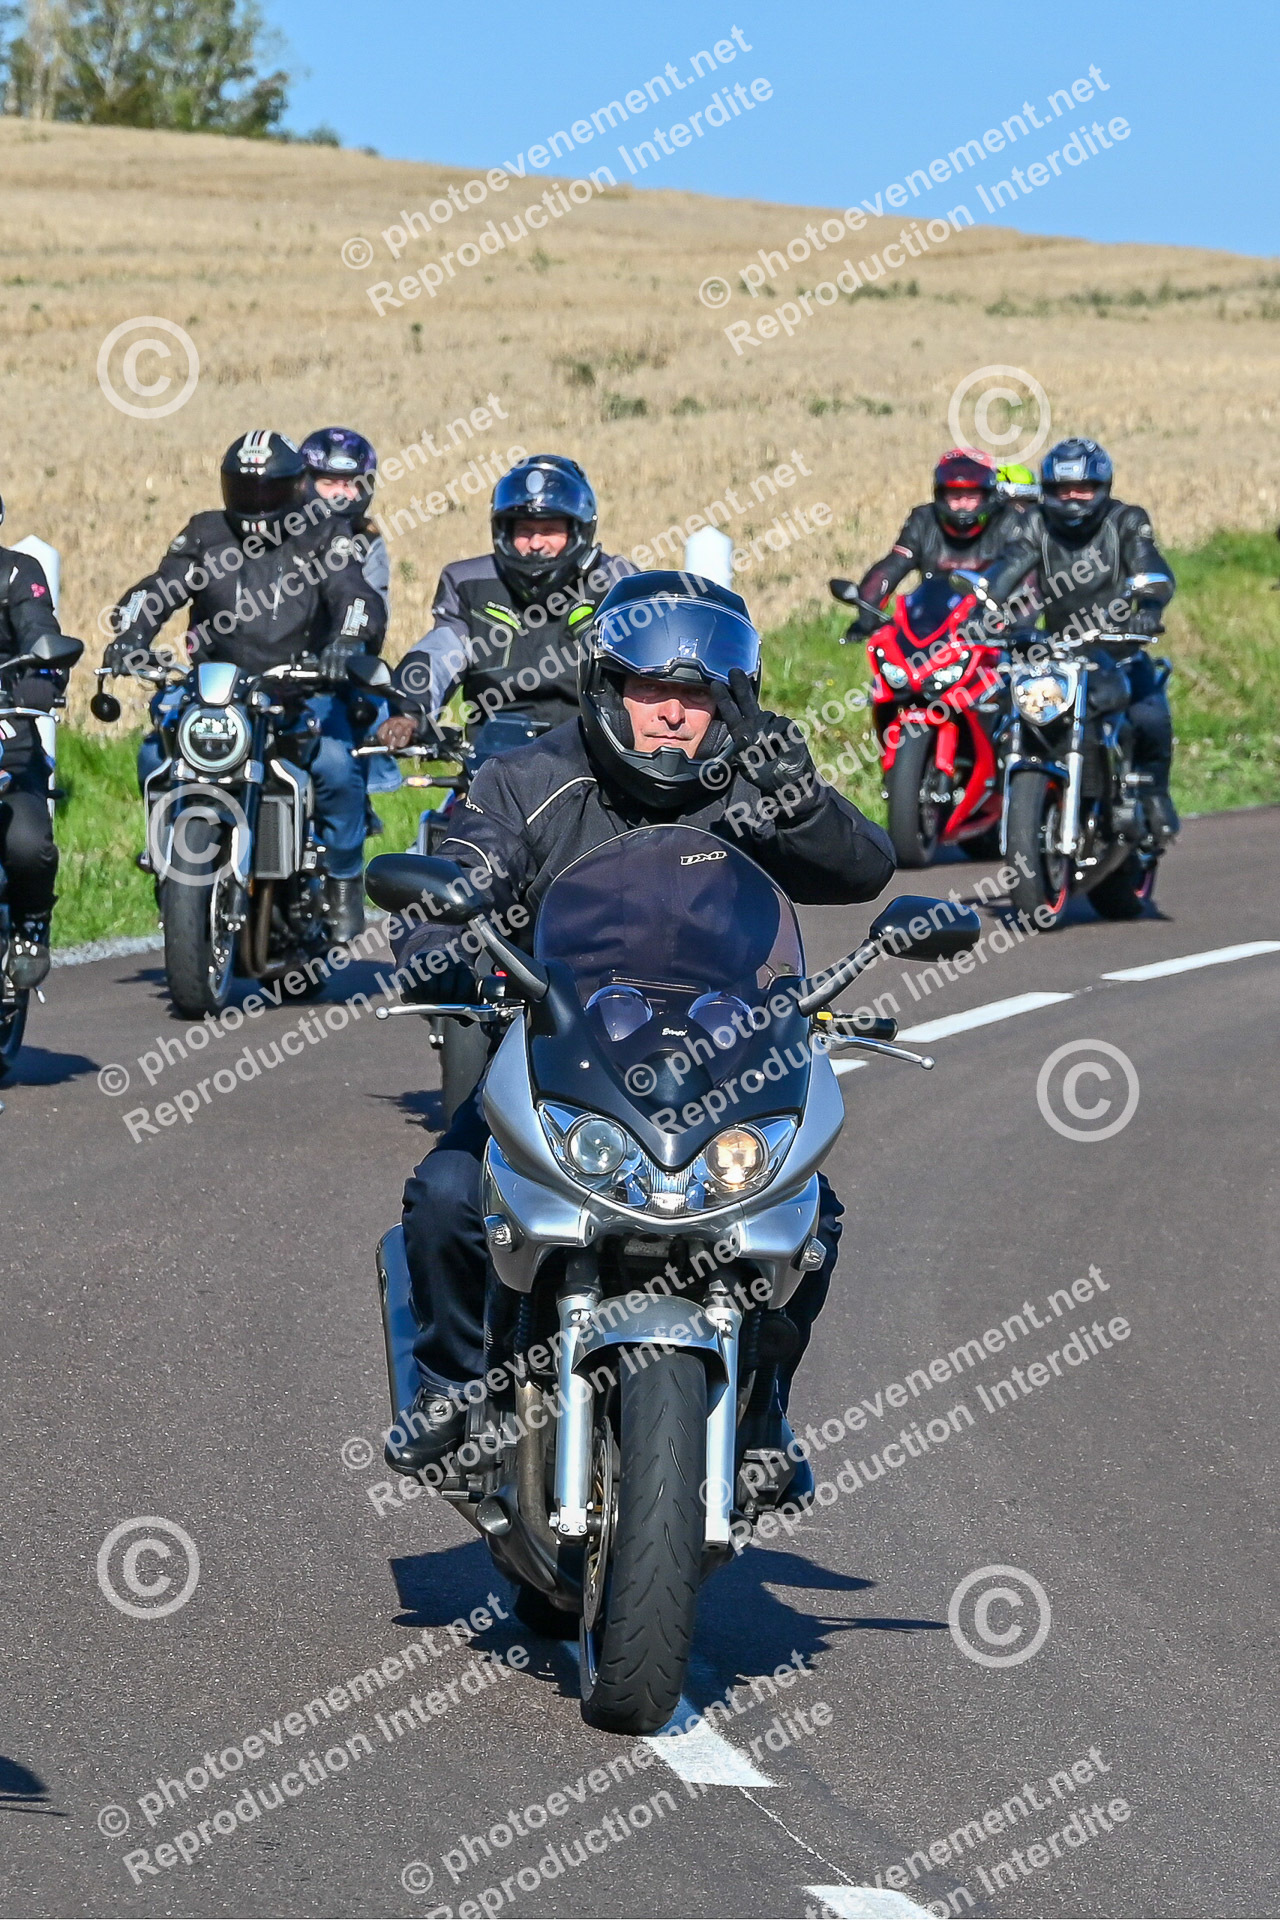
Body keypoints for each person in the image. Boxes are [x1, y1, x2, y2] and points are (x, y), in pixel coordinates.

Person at [382, 571, 896, 1490]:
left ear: (729, 704)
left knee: (809, 1216)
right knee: (449, 1192)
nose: (671, 715)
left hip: (721, 1069)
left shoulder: (749, 786)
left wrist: (802, 798)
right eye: (650, 688)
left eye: (695, 696)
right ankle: (453, 1389)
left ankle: (761, 1410)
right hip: (557, 1051)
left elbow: (862, 872)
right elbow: (456, 876)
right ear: (606, 687)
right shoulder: (527, 779)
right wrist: (448, 946)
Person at [105, 430, 386, 939]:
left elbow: (355, 595)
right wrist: (130, 637)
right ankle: (167, 861)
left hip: (297, 688)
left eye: (268, 490)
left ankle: (344, 880)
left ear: (296, 487)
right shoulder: (205, 533)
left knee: (336, 765)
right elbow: (159, 588)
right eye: (244, 489)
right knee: (153, 754)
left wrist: (345, 643)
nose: (256, 502)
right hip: (214, 689)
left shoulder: (323, 533)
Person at [377, 453, 634, 753]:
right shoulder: (468, 584)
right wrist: (409, 710)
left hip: (593, 752)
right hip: (493, 758)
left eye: (549, 530)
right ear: (503, 532)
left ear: (579, 531)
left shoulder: (618, 584)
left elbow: (647, 666)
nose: (536, 543)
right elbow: (441, 651)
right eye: (524, 531)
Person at [999, 438, 1179, 842]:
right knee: (1005, 708)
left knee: (1149, 717)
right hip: (1058, 652)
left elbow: (1151, 565)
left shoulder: (1126, 520)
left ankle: (1153, 796)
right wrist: (984, 610)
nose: (1072, 498)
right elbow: (1008, 569)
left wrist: (1150, 608)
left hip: (1119, 647)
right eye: (1063, 489)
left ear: (1102, 488)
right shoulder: (1035, 523)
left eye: (1082, 488)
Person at [843, 448, 1031, 643]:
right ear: (941, 494)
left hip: (992, 630)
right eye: (955, 496)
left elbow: (1028, 582)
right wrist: (867, 614)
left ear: (986, 495)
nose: (963, 504)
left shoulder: (1010, 522)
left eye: (971, 496)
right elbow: (892, 567)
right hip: (930, 628)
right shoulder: (924, 520)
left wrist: (1017, 629)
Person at [0, 504, 74, 988]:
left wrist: (41, 679)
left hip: (7, 733)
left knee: (27, 844)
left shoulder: (16, 573)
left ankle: (30, 923)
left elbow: (40, 633)